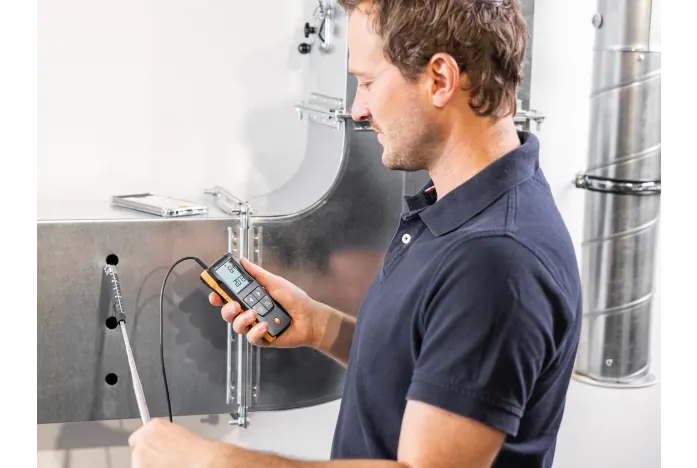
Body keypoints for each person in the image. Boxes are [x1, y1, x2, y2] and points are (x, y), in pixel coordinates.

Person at [128, 0, 583, 467]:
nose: (358, 109)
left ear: (440, 80)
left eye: (366, 82)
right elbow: (422, 360)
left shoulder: (495, 259)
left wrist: (209, 461)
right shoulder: (458, 208)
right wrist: (319, 325)